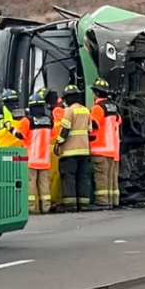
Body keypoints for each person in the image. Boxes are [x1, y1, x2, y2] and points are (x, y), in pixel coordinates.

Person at [54, 84, 95, 213]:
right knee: (83, 177)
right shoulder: (86, 110)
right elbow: (90, 130)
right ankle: (84, 204)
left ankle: (70, 204)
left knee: (69, 177)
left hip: (70, 151)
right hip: (84, 150)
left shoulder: (69, 111)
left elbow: (65, 129)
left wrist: (58, 143)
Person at [10, 93, 54, 214]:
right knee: (44, 183)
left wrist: (11, 130)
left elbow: (20, 135)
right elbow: (52, 136)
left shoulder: (27, 120)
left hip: (31, 159)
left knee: (30, 183)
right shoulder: (49, 120)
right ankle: (46, 207)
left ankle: (31, 207)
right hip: (45, 159)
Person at [89, 78, 123, 210]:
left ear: (96, 93)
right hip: (113, 149)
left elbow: (93, 125)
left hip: (101, 148)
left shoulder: (98, 108)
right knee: (112, 177)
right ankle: (113, 200)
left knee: (101, 177)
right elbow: (119, 122)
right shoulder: (114, 107)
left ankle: (102, 201)